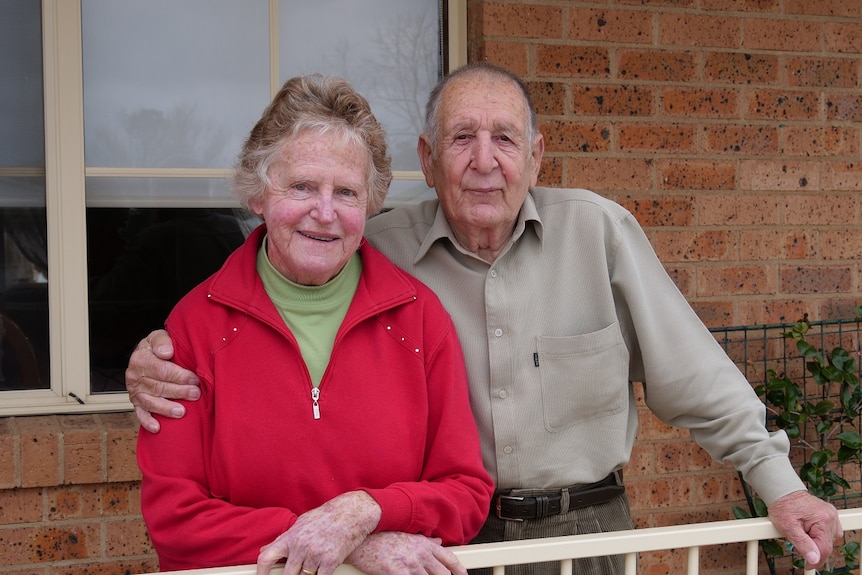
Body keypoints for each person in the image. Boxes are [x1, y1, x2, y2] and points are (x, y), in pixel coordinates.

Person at [127, 63, 842, 574]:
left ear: (535, 156)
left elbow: (697, 377)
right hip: (441, 544)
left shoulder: (598, 231)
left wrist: (781, 484)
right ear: (428, 161)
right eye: (461, 138)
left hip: (578, 534)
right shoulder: (372, 246)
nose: (483, 161)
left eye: (504, 138)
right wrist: (151, 357)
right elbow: (273, 281)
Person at [135, 74, 494, 575]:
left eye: (346, 192)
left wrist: (366, 511)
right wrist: (345, 541)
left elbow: (465, 493)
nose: (324, 213)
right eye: (301, 186)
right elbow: (174, 519)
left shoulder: (419, 319)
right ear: (257, 194)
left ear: (370, 204)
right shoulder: (196, 326)